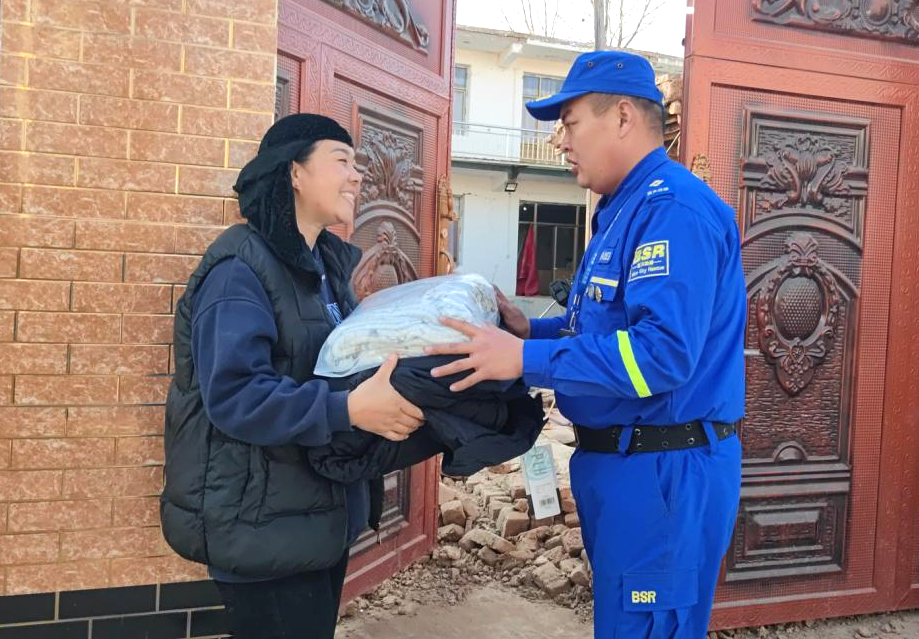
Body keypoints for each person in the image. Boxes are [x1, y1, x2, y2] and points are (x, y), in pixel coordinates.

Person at [426, 51, 747, 638]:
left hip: (662, 473)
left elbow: (661, 355)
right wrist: (530, 332)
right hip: (624, 467)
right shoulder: (622, 209)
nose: (560, 141)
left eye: (570, 123)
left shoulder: (672, 211)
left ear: (622, 117)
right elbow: (603, 331)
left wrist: (525, 359)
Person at [161, 113, 426, 639]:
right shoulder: (239, 270)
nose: (357, 176)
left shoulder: (324, 269)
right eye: (342, 160)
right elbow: (236, 396)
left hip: (313, 520)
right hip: (261, 530)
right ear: (294, 173)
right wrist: (348, 409)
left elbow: (335, 366)